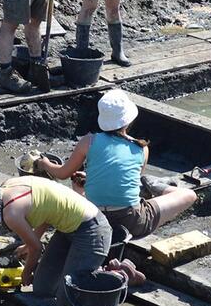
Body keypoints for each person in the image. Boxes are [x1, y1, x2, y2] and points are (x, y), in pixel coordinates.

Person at [37, 89, 197, 243]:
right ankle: (156, 186)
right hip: (132, 221)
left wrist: (45, 164)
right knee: (189, 195)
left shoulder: (88, 141)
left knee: (76, 186)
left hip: (94, 218)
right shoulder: (141, 148)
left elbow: (62, 173)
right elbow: (130, 180)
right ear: (128, 120)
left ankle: (113, 226)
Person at [0, 173, 112, 303]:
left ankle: (111, 277)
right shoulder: (7, 186)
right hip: (68, 229)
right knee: (42, 289)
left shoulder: (11, 214)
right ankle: (82, 270)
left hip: (92, 231)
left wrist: (26, 273)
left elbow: (37, 248)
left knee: (67, 299)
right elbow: (46, 211)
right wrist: (29, 243)